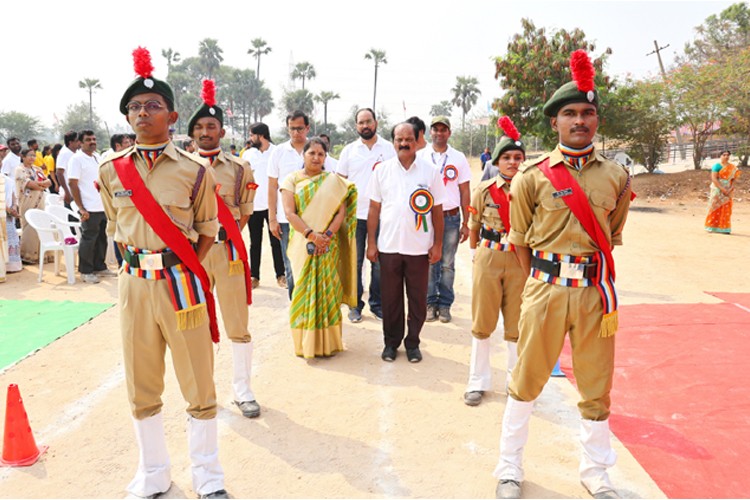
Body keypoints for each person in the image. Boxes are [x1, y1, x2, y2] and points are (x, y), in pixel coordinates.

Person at [493, 50, 632, 500]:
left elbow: (611, 235)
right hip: (545, 291)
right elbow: (518, 242)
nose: (579, 120)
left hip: (595, 295)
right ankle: (509, 468)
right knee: (526, 380)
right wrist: (541, 282)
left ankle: (596, 474)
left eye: (587, 112)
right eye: (569, 113)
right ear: (555, 123)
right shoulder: (531, 177)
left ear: (597, 120)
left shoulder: (618, 178)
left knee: (596, 387)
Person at [98, 47, 228, 499]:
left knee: (198, 379)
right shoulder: (110, 170)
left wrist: (185, 265)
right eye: (134, 107)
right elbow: (116, 229)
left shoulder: (195, 171)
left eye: (152, 106)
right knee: (141, 381)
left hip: (181, 285)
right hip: (135, 286)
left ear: (172, 115)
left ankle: (207, 476)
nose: (142, 113)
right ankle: (153, 473)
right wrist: (138, 265)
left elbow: (208, 229)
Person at [188, 79, 261, 419]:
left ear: (221, 130)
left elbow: (245, 212)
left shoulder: (238, 167)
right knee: (197, 323)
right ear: (193, 132)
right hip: (195, 256)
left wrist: (223, 236)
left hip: (228, 252)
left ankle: (242, 390)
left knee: (237, 324)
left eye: (211, 126)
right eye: (200, 126)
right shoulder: (182, 167)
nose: (206, 131)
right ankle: (204, 390)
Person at [367, 122, 445, 363]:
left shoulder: (430, 171)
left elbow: (438, 210)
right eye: (399, 139)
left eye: (408, 139)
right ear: (393, 142)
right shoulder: (381, 170)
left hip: (419, 247)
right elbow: (373, 208)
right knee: (390, 299)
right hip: (389, 246)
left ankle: (413, 343)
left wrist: (438, 244)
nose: (403, 143)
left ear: (417, 140)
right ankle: (391, 343)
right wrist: (372, 243)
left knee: (418, 299)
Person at [464, 117, 526, 407]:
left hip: (519, 259)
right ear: (497, 161)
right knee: (482, 321)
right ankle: (477, 382)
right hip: (489, 256)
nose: (512, 162)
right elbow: (474, 224)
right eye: (507, 158)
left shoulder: (531, 189)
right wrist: (477, 253)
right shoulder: (484, 189)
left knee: (517, 324)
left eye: (517, 157)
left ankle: (516, 381)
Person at [280, 137, 357, 358]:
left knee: (328, 291)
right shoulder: (291, 180)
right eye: (311, 153)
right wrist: (311, 235)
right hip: (302, 245)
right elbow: (289, 213)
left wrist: (327, 236)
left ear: (325, 157)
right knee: (302, 291)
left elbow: (341, 212)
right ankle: (305, 344)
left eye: (320, 154)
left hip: (327, 245)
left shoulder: (333, 181)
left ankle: (329, 343)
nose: (316, 157)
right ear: (303, 155)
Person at [336, 108, 396, 323]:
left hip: (382, 216)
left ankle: (377, 304)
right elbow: (339, 183)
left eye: (368, 121)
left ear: (376, 123)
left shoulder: (389, 149)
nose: (365, 126)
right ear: (356, 126)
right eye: (361, 123)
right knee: (355, 262)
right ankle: (354, 305)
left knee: (379, 261)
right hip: (354, 217)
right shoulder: (349, 151)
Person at [418, 116, 470, 323]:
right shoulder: (420, 156)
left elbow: (465, 190)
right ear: (430, 132)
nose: (439, 133)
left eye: (443, 130)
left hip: (450, 217)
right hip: (426, 217)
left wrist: (467, 222)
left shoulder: (458, 157)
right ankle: (430, 302)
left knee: (448, 263)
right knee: (430, 261)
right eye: (436, 129)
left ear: (449, 133)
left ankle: (445, 304)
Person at [268, 109, 309, 298]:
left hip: (312, 218)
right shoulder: (278, 152)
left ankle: (311, 308)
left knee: (311, 264)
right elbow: (272, 187)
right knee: (291, 265)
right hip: (286, 220)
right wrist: (272, 219)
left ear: (307, 128)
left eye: (300, 128)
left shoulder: (315, 150)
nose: (295, 132)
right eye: (291, 128)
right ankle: (296, 307)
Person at [243, 122, 285, 289]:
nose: (250, 138)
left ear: (261, 136)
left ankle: (281, 275)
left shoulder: (277, 152)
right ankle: (254, 276)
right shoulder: (247, 154)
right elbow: (245, 179)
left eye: (252, 135)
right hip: (254, 206)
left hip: (273, 206)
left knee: (276, 241)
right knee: (255, 242)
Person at [68, 130, 114, 284]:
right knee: (89, 239)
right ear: (80, 142)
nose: (92, 142)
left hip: (102, 205)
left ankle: (99, 267)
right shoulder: (76, 159)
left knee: (102, 237)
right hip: (88, 207)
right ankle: (86, 271)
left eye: (94, 139)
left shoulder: (96, 157)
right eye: (88, 140)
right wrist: (81, 208)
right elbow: (72, 184)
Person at [704, 150, 740, 234]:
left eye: (728, 155)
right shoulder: (716, 166)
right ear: (720, 156)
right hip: (717, 189)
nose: (726, 156)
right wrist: (722, 189)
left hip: (728, 190)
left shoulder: (733, 167)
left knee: (726, 208)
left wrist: (730, 188)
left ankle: (725, 228)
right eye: (724, 155)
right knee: (715, 207)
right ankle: (712, 226)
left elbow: (734, 179)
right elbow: (714, 179)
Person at [1, 145, 22, 274]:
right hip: (4, 213)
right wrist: (9, 209)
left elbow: (14, 197)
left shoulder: (7, 180)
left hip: (8, 216)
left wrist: (13, 208)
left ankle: (11, 266)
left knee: (11, 238)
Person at [55, 130, 80, 208]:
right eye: (77, 141)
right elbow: (59, 173)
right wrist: (67, 191)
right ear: (70, 142)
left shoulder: (76, 152)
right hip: (69, 192)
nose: (79, 142)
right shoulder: (64, 154)